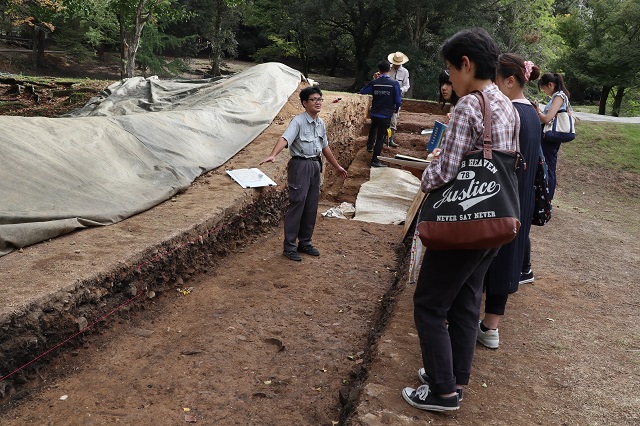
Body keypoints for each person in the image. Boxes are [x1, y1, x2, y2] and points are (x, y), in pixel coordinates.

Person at [401, 28, 520, 412]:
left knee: (430, 304)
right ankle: (455, 375)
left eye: (451, 71)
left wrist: (427, 172)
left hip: (464, 222)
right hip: (496, 220)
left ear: (466, 65)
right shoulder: (506, 103)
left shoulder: (469, 106)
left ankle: (442, 391)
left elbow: (446, 172)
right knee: (467, 300)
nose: (449, 80)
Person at [477, 54, 541, 349]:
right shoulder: (531, 113)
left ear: (510, 81)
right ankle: (491, 327)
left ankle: (468, 323)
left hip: (501, 197)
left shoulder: (510, 112)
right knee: (507, 258)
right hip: (520, 198)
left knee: (485, 259)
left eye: (495, 81)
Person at [260, 86, 348, 262]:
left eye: (320, 99)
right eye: (314, 99)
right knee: (298, 203)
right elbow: (285, 138)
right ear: (304, 103)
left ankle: (305, 242)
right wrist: (273, 154)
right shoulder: (298, 122)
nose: (318, 102)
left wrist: (337, 166)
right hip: (300, 165)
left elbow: (325, 147)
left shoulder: (320, 123)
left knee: (311, 205)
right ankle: (290, 246)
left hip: (315, 165)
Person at [533, 72, 571, 200]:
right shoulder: (558, 96)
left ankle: (547, 199)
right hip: (548, 137)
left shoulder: (559, 96)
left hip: (550, 138)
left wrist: (537, 110)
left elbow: (547, 119)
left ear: (550, 84)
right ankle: (544, 197)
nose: (544, 91)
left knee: (548, 166)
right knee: (547, 165)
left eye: (544, 88)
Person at [359, 60, 402, 168]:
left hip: (374, 113)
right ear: (390, 70)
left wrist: (374, 80)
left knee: (373, 127)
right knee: (380, 138)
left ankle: (369, 146)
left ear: (379, 70)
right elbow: (398, 100)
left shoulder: (375, 82)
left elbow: (363, 91)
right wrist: (396, 109)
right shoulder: (394, 84)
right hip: (385, 115)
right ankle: (375, 160)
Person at [387, 51, 410, 147]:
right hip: (386, 96)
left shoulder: (405, 72)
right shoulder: (388, 68)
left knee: (394, 119)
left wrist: (399, 90)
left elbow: (407, 85)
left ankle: (390, 139)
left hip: (397, 98)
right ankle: (381, 138)